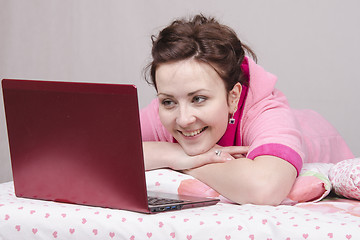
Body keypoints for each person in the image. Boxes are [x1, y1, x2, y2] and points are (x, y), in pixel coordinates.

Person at [140, 14, 354, 205]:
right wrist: (174, 154)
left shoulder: (266, 110)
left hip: (318, 135)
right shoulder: (169, 108)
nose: (184, 119)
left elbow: (266, 188)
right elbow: (107, 152)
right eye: (168, 102)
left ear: (233, 96)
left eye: (199, 99)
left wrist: (190, 163)